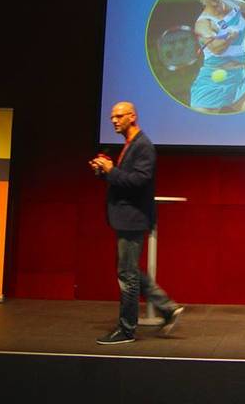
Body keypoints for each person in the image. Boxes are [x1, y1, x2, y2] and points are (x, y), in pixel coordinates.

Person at [90, 101, 183, 344]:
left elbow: (139, 181)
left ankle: (127, 330)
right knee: (128, 270)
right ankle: (167, 308)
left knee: (127, 275)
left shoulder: (143, 146)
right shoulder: (131, 144)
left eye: (119, 116)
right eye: (112, 117)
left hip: (133, 218)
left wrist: (111, 170)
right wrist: (104, 172)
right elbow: (124, 181)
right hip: (126, 217)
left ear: (132, 117)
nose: (113, 121)